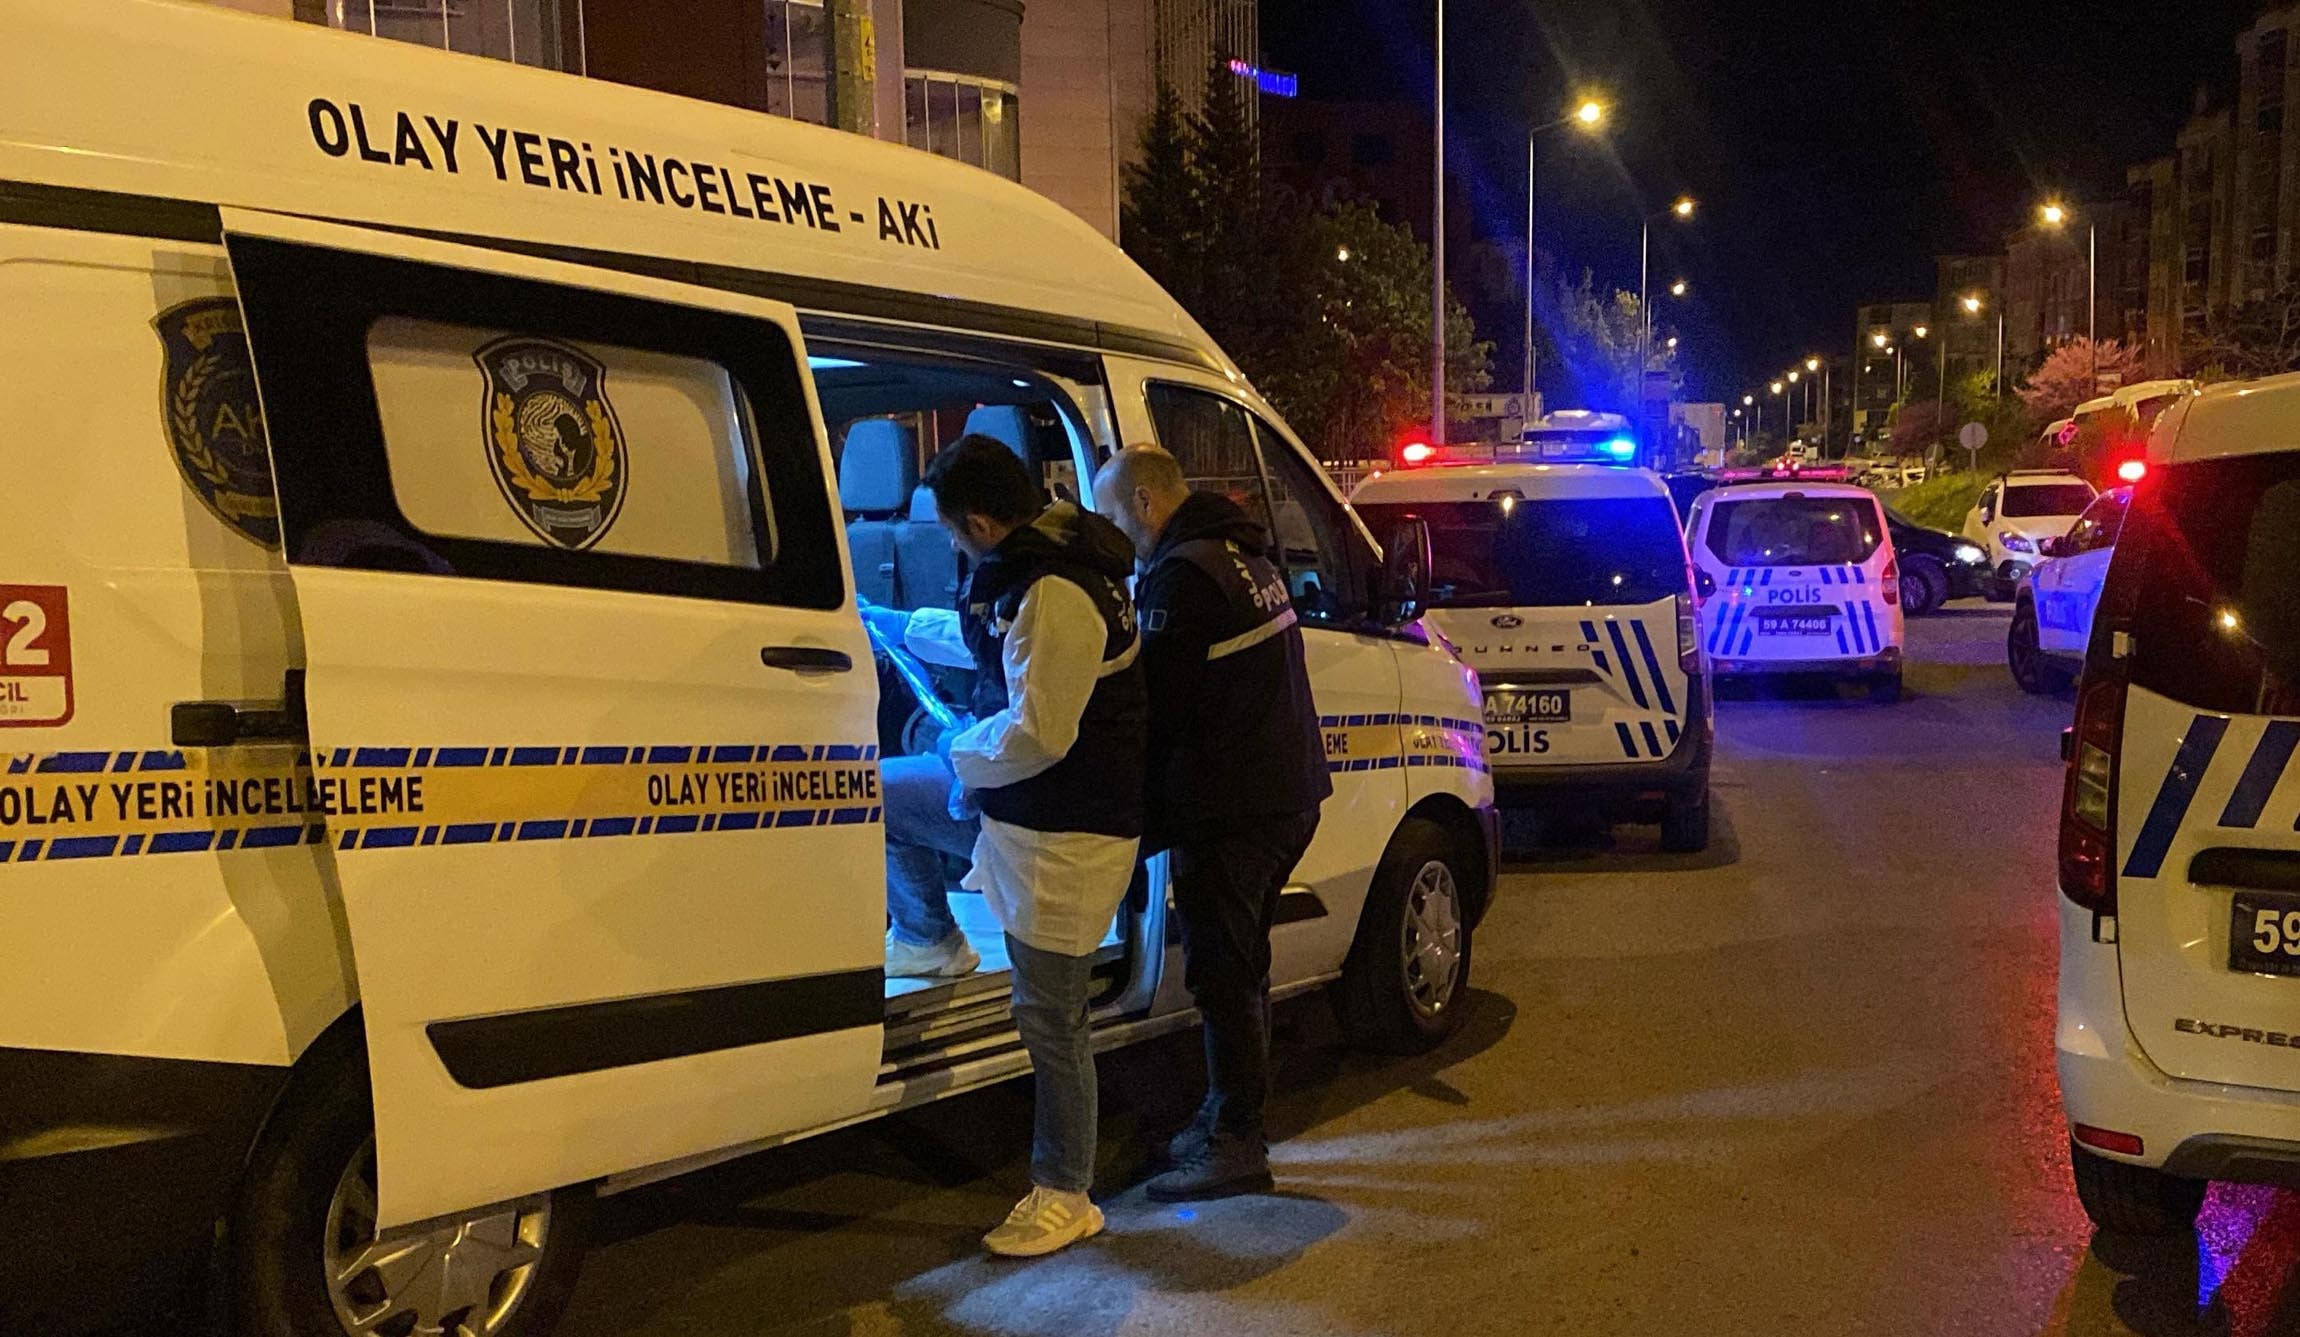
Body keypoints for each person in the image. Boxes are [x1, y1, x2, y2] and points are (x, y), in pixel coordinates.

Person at [860, 433, 1145, 1257]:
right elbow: (993, 636)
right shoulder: (1039, 562)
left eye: (953, 533)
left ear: (980, 523)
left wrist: (962, 758)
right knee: (885, 790)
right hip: (1023, 807)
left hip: (1067, 827)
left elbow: (1040, 730)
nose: (954, 547)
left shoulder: (1056, 588)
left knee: (1051, 1016)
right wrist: (892, 623)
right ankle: (929, 936)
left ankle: (1067, 1191)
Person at [1090, 446, 1330, 1202]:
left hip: (1234, 810)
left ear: (1144, 503)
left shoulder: (1182, 575)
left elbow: (1156, 706)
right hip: (1285, 795)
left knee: (1223, 974)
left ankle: (1236, 1142)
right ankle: (1230, 1116)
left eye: (1111, 516)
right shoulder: (1241, 554)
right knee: (1244, 966)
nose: (1111, 533)